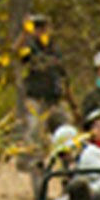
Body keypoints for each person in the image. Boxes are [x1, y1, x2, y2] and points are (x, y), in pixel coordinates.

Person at [16, 13, 72, 141]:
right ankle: (32, 158)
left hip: (54, 98)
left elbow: (63, 76)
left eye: (44, 27)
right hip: (36, 98)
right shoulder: (30, 48)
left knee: (65, 128)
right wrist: (24, 33)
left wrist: (71, 102)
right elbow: (16, 52)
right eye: (38, 28)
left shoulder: (54, 49)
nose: (41, 31)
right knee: (34, 129)